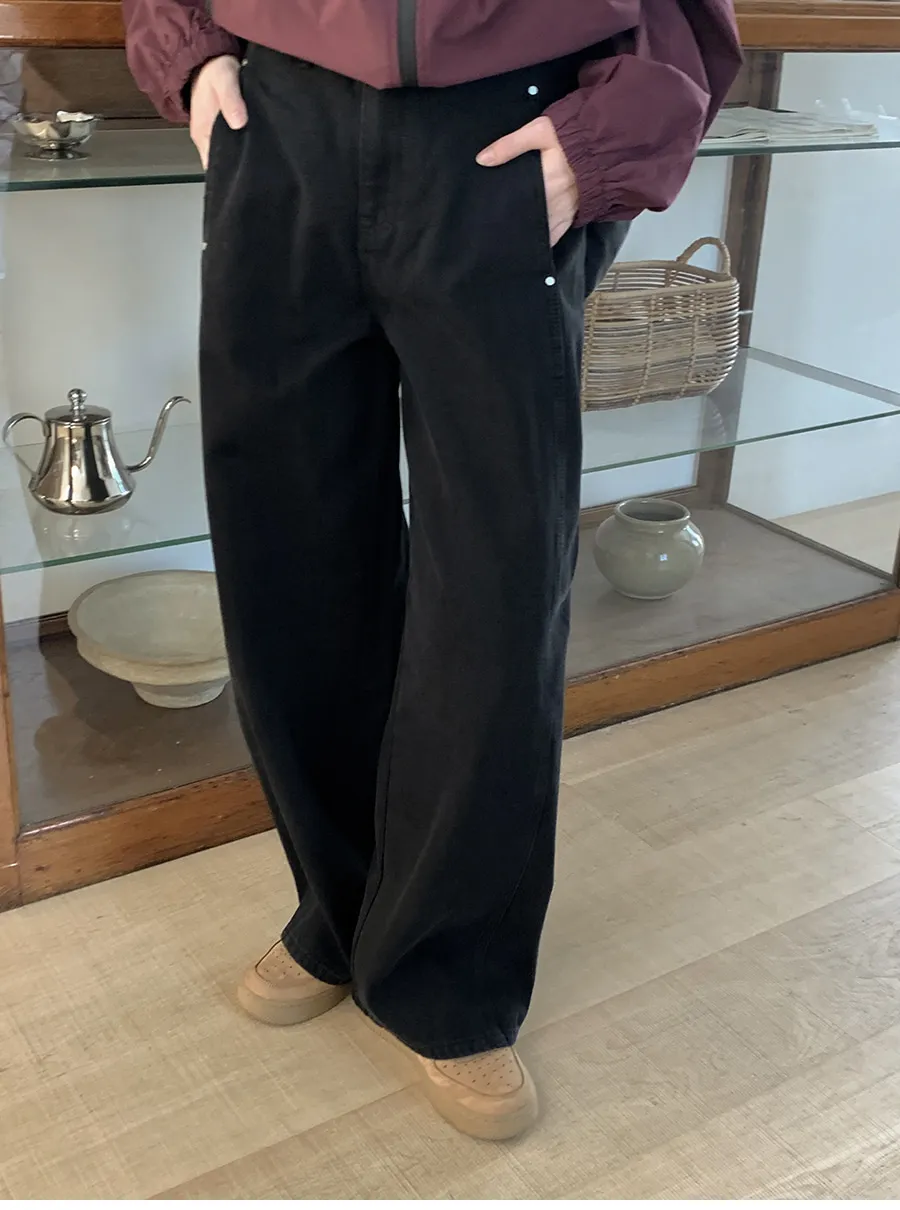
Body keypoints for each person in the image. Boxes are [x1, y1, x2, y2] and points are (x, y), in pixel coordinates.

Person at [123, 0, 741, 1141]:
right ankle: (344, 906)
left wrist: (615, 130)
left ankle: (450, 968)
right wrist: (188, 48)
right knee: (288, 549)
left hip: (508, 130)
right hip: (281, 118)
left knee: (496, 580)